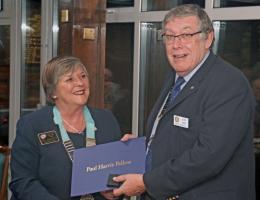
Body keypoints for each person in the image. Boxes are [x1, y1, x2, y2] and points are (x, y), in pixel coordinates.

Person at [112, 4, 256, 200]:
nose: (176, 45)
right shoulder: (176, 76)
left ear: (208, 39)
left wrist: (146, 183)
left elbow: (208, 157)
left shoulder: (229, 84)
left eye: (186, 36)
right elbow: (180, 131)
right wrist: (142, 147)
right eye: (170, 36)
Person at [9, 56, 123, 200]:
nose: (80, 83)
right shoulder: (32, 125)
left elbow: (116, 174)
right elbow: (22, 182)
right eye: (70, 79)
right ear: (53, 92)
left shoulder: (106, 120)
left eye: (83, 76)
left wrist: (113, 189)